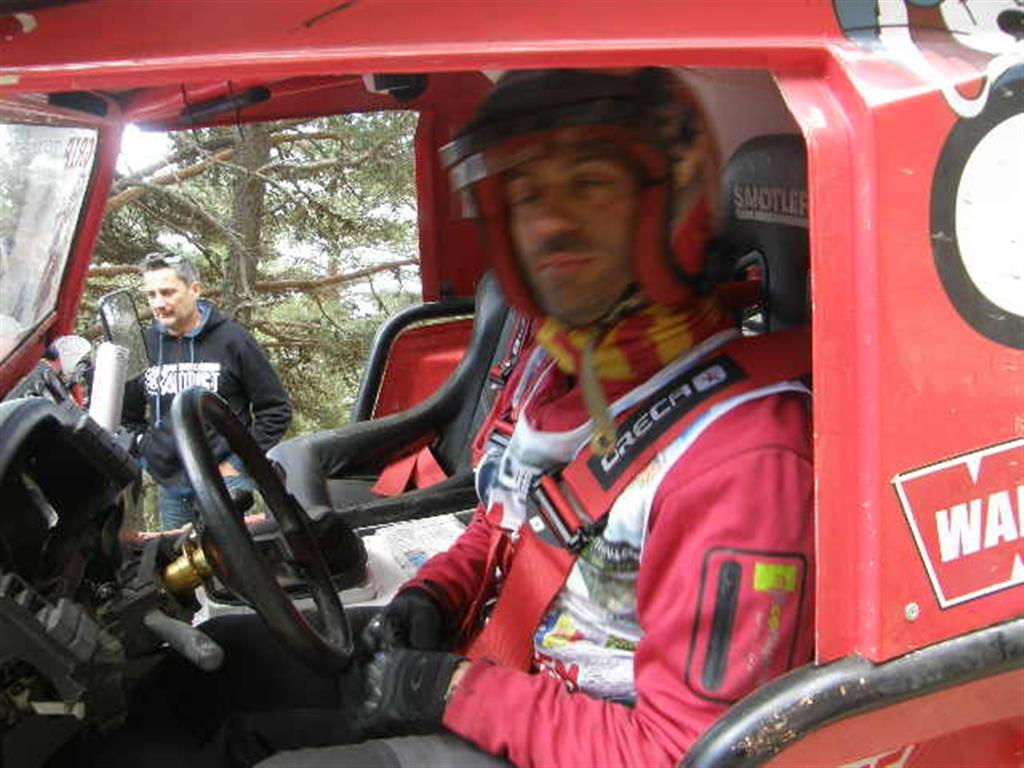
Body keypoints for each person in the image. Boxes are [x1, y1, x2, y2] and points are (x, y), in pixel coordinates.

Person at [105, 68, 813, 768]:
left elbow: (681, 754)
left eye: (591, 183)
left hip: (589, 741)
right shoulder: (560, 370)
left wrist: (450, 690)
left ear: (669, 202)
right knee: (217, 671)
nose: (550, 223)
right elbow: (506, 523)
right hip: (509, 675)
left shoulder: (743, 456)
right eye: (526, 195)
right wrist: (436, 595)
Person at [122, 252, 292, 530]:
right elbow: (127, 417)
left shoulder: (233, 340)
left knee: (233, 554)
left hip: (226, 480)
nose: (158, 303)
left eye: (167, 292)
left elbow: (275, 409)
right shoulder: (143, 347)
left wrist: (238, 463)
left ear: (194, 289)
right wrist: (149, 454)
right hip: (171, 488)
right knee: (179, 554)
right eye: (151, 295)